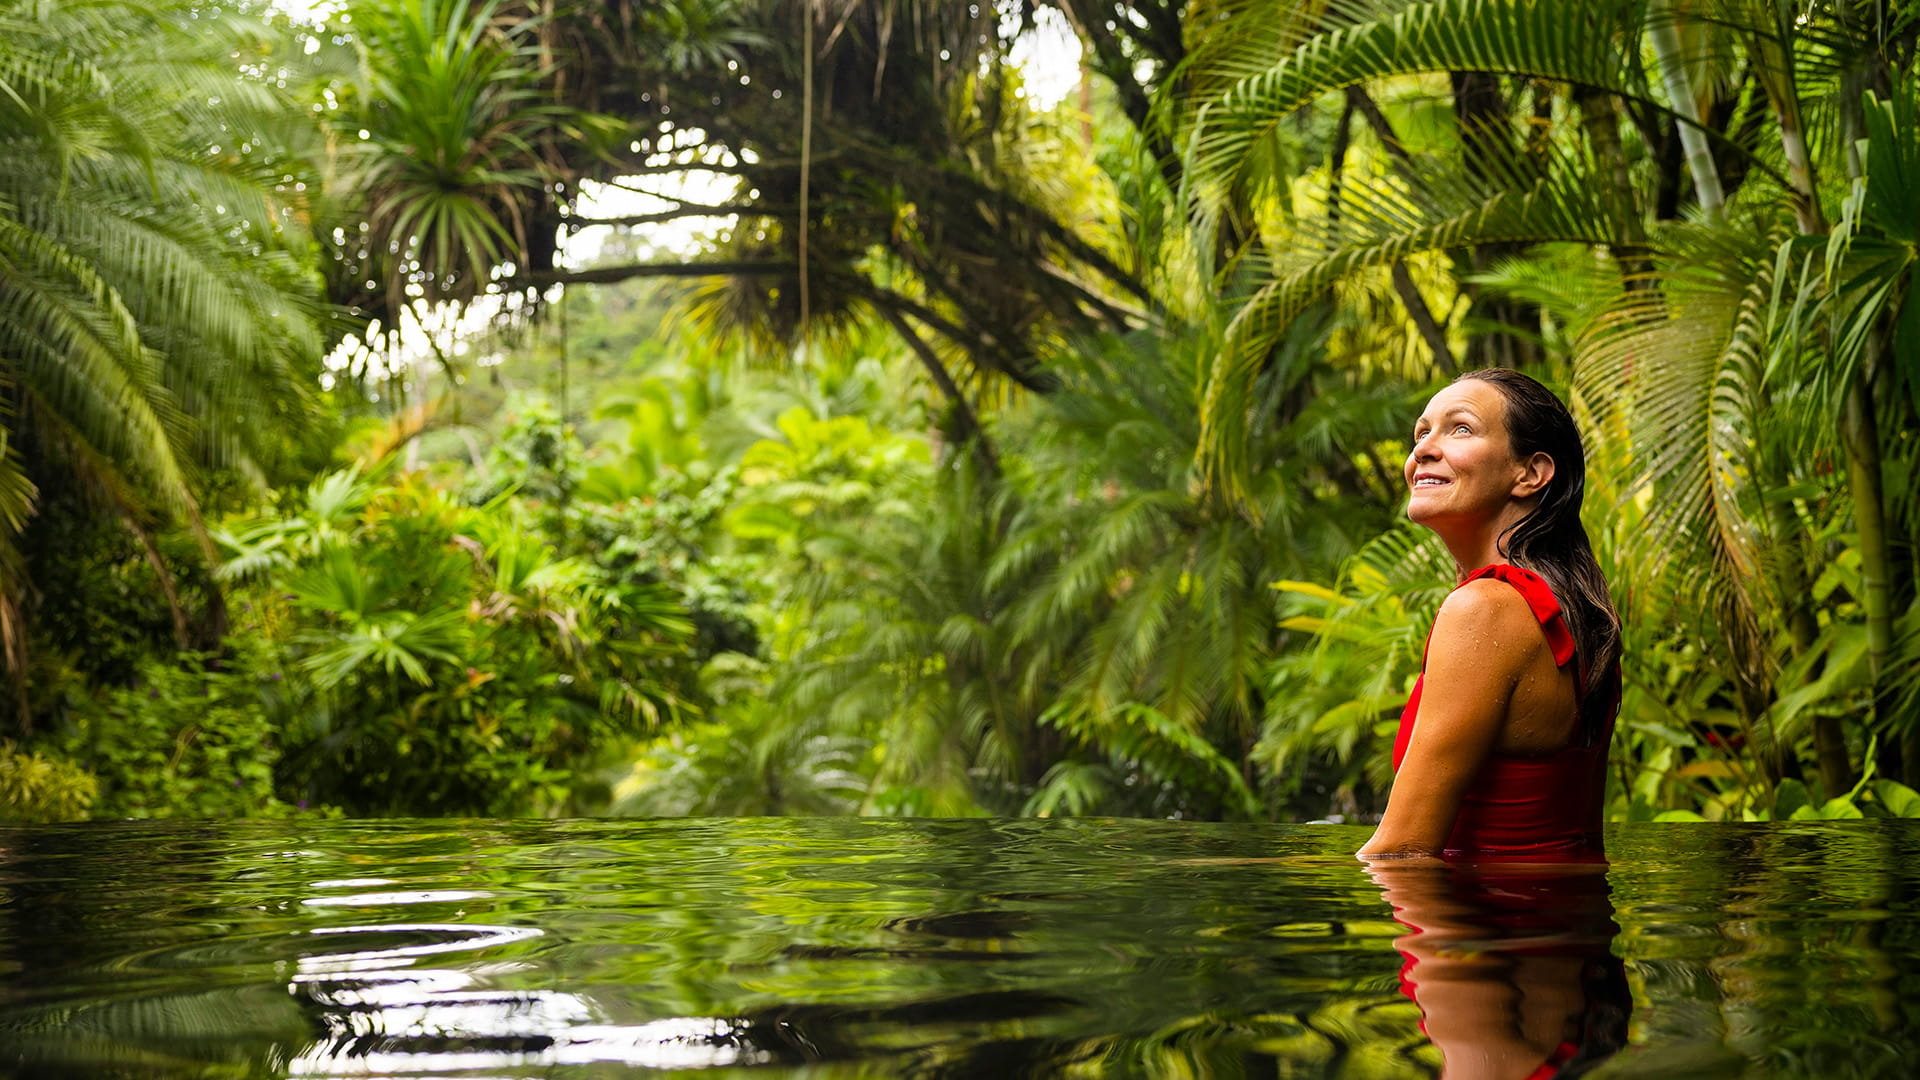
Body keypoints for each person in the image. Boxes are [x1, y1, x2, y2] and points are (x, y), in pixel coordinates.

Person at [1358, 369, 1622, 860]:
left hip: (1475, 931)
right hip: (1554, 927)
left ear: (1531, 473)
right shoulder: (1566, 608)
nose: (1423, 451)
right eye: (1422, 432)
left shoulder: (1485, 610)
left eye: (1460, 428)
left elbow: (1402, 850)